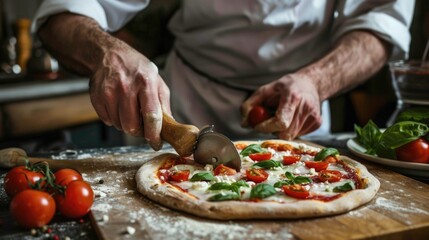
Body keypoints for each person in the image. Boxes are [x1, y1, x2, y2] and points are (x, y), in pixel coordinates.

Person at [32, 0, 414, 150]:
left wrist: (317, 81)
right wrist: (108, 54)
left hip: (301, 113)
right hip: (186, 104)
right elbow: (62, 13)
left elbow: (381, 23)